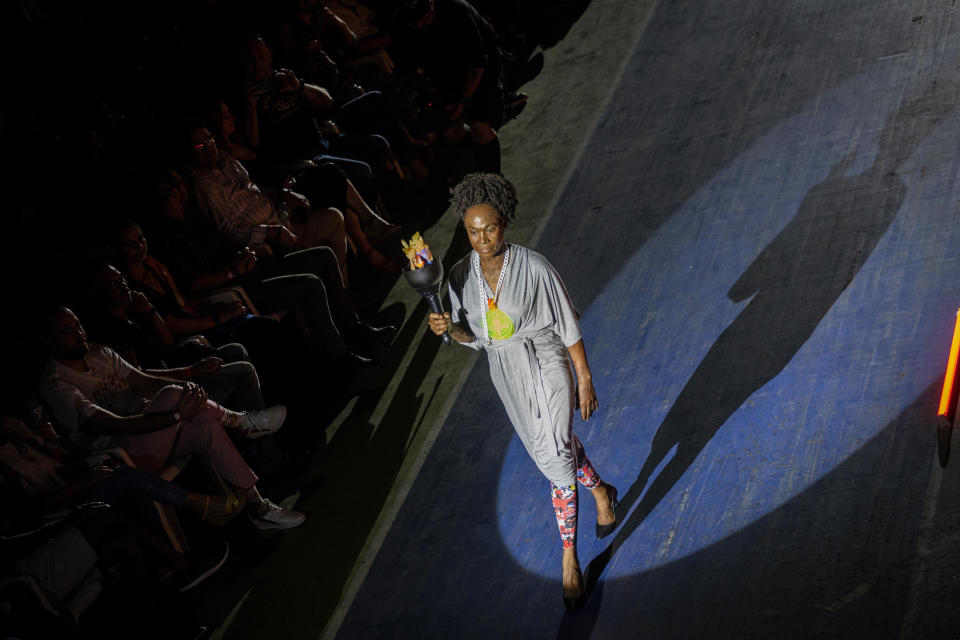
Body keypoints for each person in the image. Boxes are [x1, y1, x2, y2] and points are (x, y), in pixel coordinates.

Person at [426, 173, 618, 609]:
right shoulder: (459, 275)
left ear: (504, 222)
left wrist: (583, 377)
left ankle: (568, 559)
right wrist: (446, 327)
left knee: (553, 454)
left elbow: (567, 324)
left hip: (547, 359)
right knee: (555, 450)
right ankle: (601, 492)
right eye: (473, 231)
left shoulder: (534, 266)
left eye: (490, 228)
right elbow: (470, 337)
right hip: (506, 371)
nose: (482, 238)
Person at [39, 307, 305, 530]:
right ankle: (241, 422)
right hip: (124, 454)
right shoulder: (56, 384)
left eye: (77, 325)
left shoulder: (98, 352)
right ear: (50, 342)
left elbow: (144, 381)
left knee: (206, 427)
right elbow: (113, 424)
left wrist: (187, 390)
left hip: (155, 432)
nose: (78, 333)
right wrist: (176, 413)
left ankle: (259, 509)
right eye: (67, 331)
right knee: (171, 396)